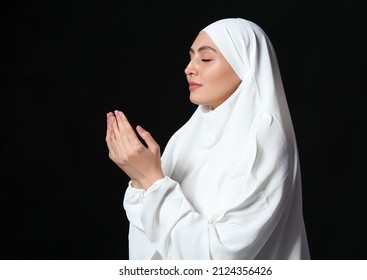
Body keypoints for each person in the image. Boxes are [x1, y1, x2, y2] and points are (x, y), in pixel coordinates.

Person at [105, 17, 310, 260]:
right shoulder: (185, 137)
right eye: (191, 57)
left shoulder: (264, 143)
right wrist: (140, 178)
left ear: (245, 65)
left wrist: (151, 179)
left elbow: (220, 258)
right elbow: (151, 236)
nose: (189, 68)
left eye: (206, 59)